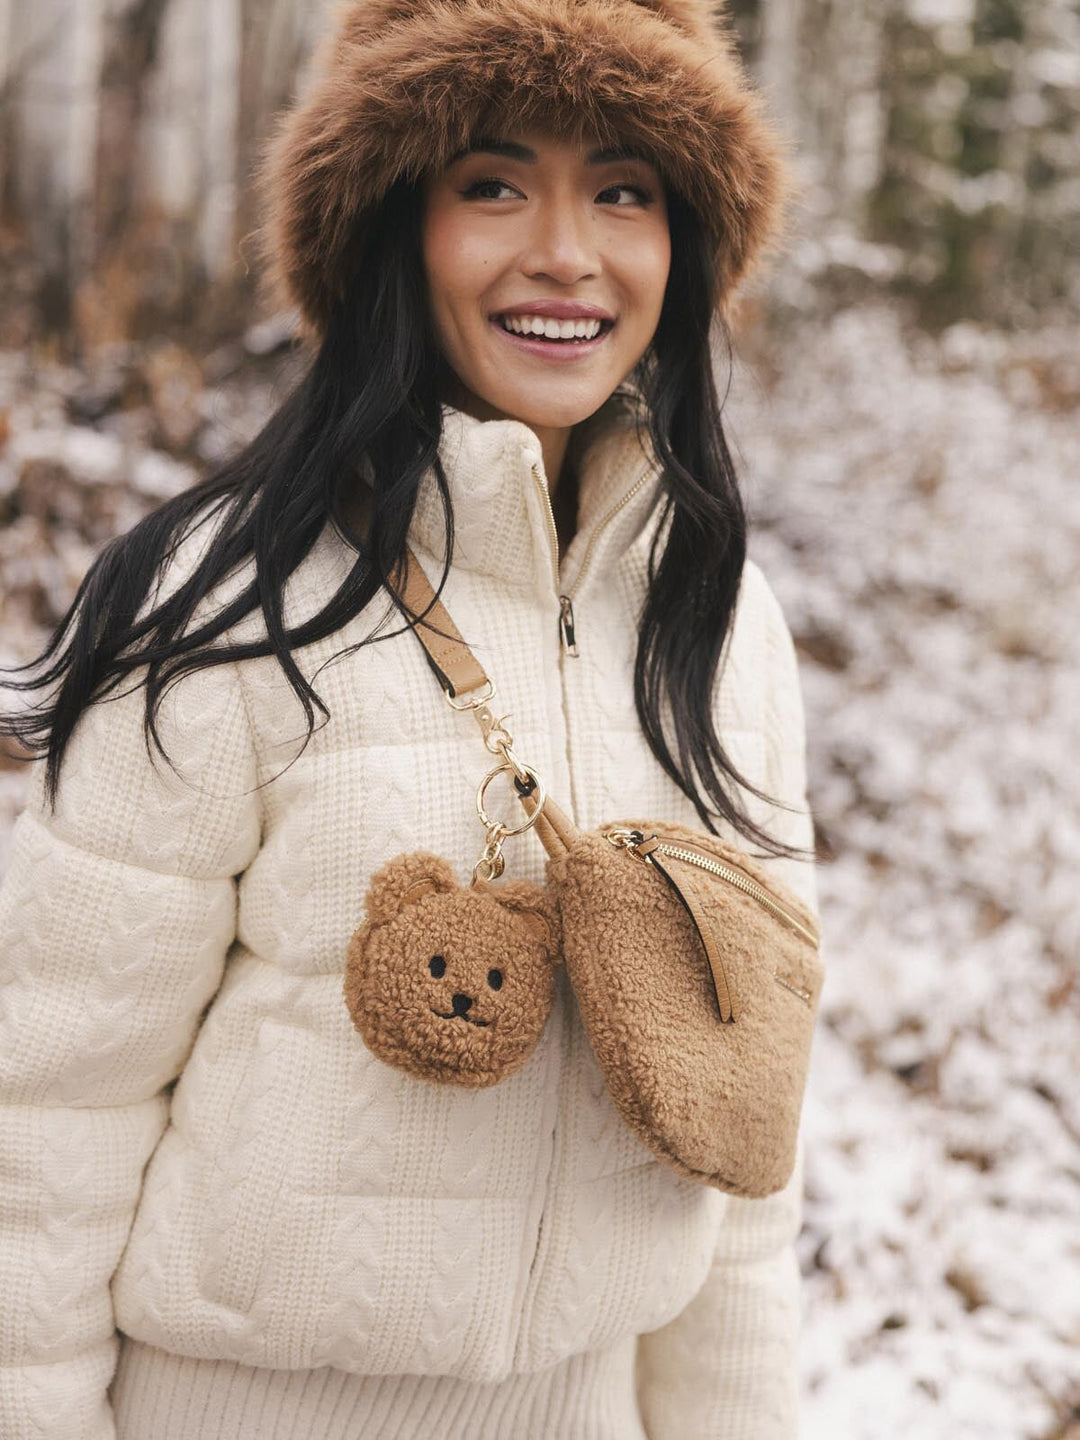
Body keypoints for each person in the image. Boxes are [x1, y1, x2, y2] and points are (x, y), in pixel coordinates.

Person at [0, 0, 821, 1435]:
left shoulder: (718, 621)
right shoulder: (217, 607)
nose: (566, 250)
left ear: (685, 243)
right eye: (491, 183)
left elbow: (741, 1119)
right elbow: (46, 1117)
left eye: (623, 188)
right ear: (390, 227)